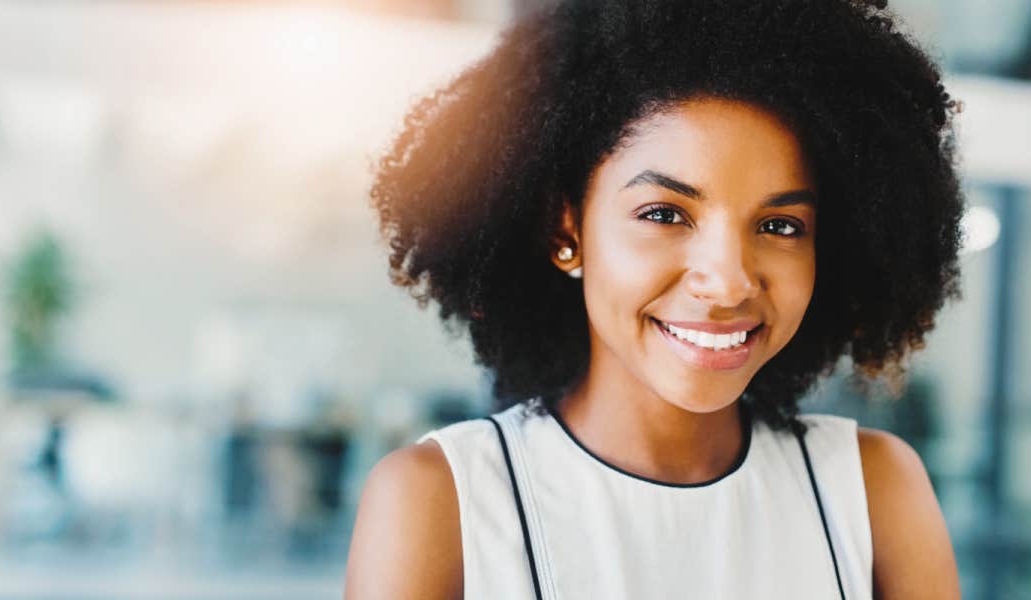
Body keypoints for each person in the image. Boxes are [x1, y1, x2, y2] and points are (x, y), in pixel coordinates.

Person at [346, 0, 964, 598]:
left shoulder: (872, 491)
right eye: (665, 213)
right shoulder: (443, 503)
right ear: (567, 232)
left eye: (779, 226)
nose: (726, 283)